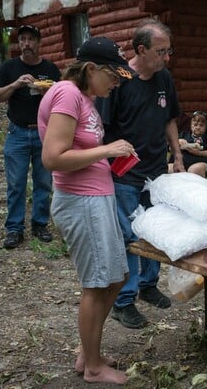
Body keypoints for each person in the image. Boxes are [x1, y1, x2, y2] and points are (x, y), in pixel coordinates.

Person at [38, 37, 135, 385]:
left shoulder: (85, 98)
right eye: (113, 75)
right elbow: (53, 158)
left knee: (117, 276)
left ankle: (88, 350)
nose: (117, 82)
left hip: (97, 197)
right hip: (81, 201)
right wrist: (107, 150)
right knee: (96, 284)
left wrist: (111, 158)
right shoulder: (66, 94)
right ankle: (93, 367)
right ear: (91, 69)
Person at [96, 19, 184, 329]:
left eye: (168, 51)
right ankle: (124, 301)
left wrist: (177, 155)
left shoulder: (164, 78)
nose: (166, 58)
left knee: (155, 231)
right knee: (130, 236)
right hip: (125, 176)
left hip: (156, 172)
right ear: (141, 50)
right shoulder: (118, 80)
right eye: (161, 52)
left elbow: (169, 119)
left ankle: (148, 285)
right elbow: (103, 130)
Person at [0, 24, 61, 249]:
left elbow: (63, 97)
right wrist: (15, 84)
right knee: (16, 183)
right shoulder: (10, 68)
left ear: (39, 43)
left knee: (43, 181)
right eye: (22, 40)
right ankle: (14, 229)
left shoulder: (50, 69)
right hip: (17, 132)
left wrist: (47, 91)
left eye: (31, 39)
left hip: (44, 132)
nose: (26, 44)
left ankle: (40, 225)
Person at [168, 110, 207, 177]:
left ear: (206, 126)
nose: (198, 127)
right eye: (195, 125)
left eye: (201, 125)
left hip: (201, 162)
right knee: (168, 168)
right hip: (180, 162)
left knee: (194, 170)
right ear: (191, 125)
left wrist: (197, 152)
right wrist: (178, 142)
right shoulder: (183, 135)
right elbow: (170, 148)